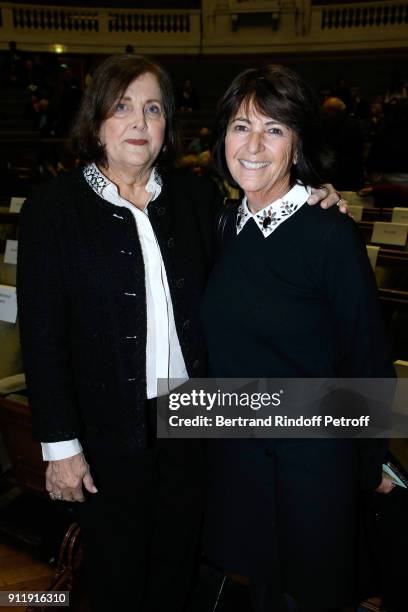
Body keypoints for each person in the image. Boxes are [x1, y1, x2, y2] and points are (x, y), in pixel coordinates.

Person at [16, 54, 344, 612]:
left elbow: (253, 250)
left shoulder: (197, 199)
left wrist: (311, 202)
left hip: (193, 419)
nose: (139, 124)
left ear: (168, 125)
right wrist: (60, 446)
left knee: (179, 567)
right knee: (117, 576)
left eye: (153, 109)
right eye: (122, 108)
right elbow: (42, 335)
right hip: (105, 430)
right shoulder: (54, 209)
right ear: (97, 121)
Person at [201, 65, 396, 612]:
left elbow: (367, 354)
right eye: (241, 127)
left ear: (298, 141)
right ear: (222, 139)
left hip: (314, 466)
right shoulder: (221, 226)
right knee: (261, 592)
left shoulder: (328, 233)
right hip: (240, 458)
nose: (255, 145)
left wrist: (367, 464)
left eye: (275, 129)